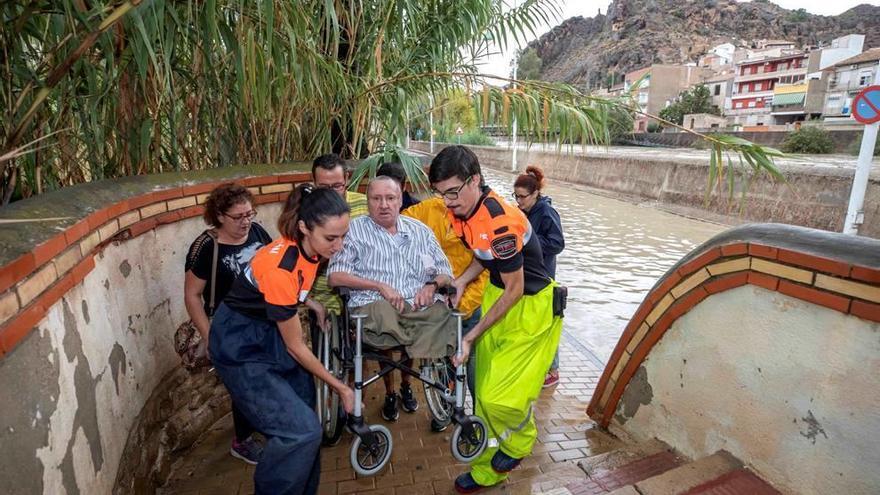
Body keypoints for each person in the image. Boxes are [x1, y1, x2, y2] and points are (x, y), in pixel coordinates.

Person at [429, 145, 563, 493]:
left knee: (500, 396)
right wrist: (460, 281)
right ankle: (488, 471)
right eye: (441, 194)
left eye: (453, 192)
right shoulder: (460, 213)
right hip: (497, 296)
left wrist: (471, 335)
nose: (447, 201)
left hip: (529, 308)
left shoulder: (501, 221)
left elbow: (516, 288)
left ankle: (520, 444)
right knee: (483, 394)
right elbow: (483, 257)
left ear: (475, 180)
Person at [208, 185, 355, 495]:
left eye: (343, 235)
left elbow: (288, 296)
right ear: (304, 227)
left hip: (268, 332)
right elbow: (295, 345)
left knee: (308, 424)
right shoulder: (281, 267)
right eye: (331, 238)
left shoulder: (309, 249)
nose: (339, 246)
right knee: (299, 432)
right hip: (241, 346)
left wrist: (310, 303)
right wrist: (340, 386)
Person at [328, 176, 455, 423]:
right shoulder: (352, 231)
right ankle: (393, 385)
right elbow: (335, 276)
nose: (384, 204)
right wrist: (379, 285)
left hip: (416, 305)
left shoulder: (420, 231)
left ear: (400, 200)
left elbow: (445, 271)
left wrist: (433, 285)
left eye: (390, 198)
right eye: (377, 199)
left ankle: (408, 379)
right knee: (385, 315)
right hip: (374, 305)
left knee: (441, 313)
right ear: (368, 202)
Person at [183, 183, 271, 464]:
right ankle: (242, 441)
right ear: (220, 215)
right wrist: (210, 336)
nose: (246, 221)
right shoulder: (206, 247)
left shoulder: (257, 232)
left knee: (263, 379)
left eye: (250, 214)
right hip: (229, 329)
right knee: (243, 385)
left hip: (262, 322)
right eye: (239, 216)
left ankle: (262, 426)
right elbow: (192, 295)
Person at [402, 196, 488, 431]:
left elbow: (485, 269)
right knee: (442, 359)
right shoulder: (427, 209)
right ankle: (445, 409)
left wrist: (463, 304)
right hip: (439, 303)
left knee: (473, 367)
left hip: (469, 303)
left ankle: (479, 416)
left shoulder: (482, 217)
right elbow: (396, 225)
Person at [513, 166, 565, 388]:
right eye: (515, 196)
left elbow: (557, 243)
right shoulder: (524, 212)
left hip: (543, 277)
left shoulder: (546, 212)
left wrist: (529, 242)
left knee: (546, 324)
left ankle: (552, 369)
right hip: (529, 275)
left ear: (535, 194)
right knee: (532, 323)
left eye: (522, 196)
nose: (518, 201)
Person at [307, 153, 368, 339]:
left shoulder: (365, 205)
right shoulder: (304, 210)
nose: (331, 194)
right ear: (313, 182)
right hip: (323, 298)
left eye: (337, 186)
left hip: (362, 295)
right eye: (323, 188)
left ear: (347, 179)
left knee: (362, 355)